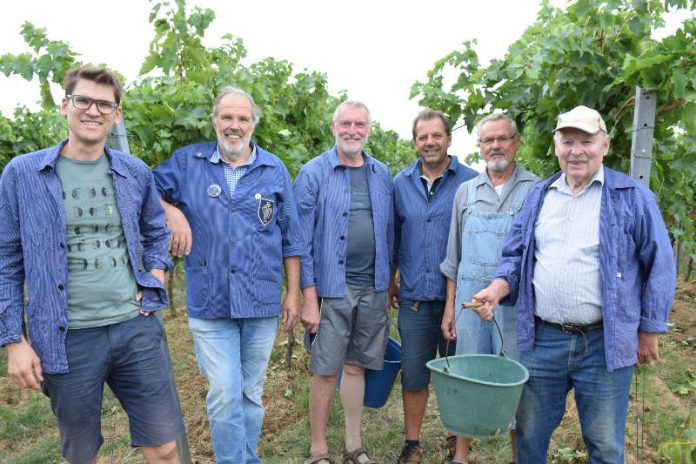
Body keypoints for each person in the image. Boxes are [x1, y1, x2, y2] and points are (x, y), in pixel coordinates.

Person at [472, 106, 676, 463]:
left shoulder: (631, 196)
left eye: (587, 141)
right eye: (568, 141)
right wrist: (497, 289)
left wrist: (650, 329)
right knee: (530, 434)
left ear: (606, 145)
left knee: (604, 442)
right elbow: (515, 256)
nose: (576, 150)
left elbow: (659, 264)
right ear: (556, 146)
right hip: (543, 339)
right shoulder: (539, 195)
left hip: (604, 342)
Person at [0, 65, 183, 464]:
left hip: (134, 328)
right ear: (65, 105)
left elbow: (155, 231)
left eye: (105, 104)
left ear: (117, 114)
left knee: (166, 449)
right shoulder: (23, 175)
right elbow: (5, 261)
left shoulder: (134, 172)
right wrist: (13, 340)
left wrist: (154, 275)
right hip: (67, 338)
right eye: (83, 100)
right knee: (81, 456)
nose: (93, 111)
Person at [152, 87, 303, 464]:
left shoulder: (273, 169)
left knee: (251, 392)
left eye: (242, 119)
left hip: (261, 299)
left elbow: (292, 236)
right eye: (227, 118)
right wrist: (170, 211)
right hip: (210, 301)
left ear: (253, 124)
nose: (234, 126)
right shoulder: (189, 162)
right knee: (224, 392)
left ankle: (245, 458)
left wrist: (294, 293)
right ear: (215, 121)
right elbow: (143, 187)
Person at [294, 101, 393, 464]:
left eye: (360, 124)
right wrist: (308, 297)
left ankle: (354, 444)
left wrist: (388, 282)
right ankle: (318, 449)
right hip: (331, 288)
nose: (353, 130)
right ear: (334, 126)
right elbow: (299, 241)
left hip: (373, 286)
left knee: (356, 365)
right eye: (346, 123)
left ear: (369, 128)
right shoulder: (314, 173)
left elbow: (389, 232)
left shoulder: (381, 173)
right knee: (325, 368)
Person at [439, 112, 538, 464]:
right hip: (469, 303)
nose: (495, 146)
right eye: (487, 140)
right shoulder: (466, 192)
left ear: (516, 142)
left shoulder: (536, 190)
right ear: (479, 148)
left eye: (502, 139)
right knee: (467, 374)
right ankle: (462, 455)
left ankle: (518, 457)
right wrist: (451, 307)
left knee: (515, 381)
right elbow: (454, 257)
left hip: (514, 307)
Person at [389, 109, 477, 464]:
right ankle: (413, 443)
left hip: (460, 303)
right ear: (415, 142)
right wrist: (390, 283)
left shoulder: (470, 182)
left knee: (460, 378)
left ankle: (458, 446)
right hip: (413, 300)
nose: (429, 142)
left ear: (449, 139)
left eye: (436, 135)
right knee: (413, 376)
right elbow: (395, 238)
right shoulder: (400, 184)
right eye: (422, 137)